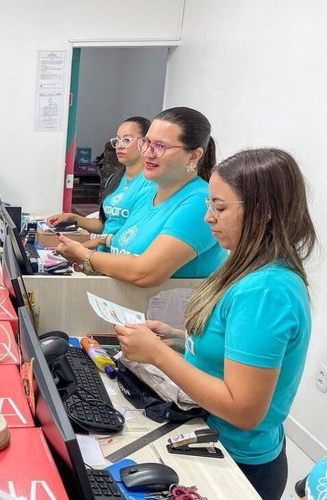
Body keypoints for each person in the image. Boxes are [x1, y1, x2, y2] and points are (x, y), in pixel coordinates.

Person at [115, 148, 316, 500]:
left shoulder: (266, 289)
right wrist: (176, 339)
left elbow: (244, 410)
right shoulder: (246, 264)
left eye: (220, 208)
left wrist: (159, 357)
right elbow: (231, 350)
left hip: (237, 462)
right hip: (207, 432)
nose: (209, 218)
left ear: (264, 212)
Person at [56, 107, 227, 286]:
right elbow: (130, 244)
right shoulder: (148, 193)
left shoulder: (199, 203)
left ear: (194, 155)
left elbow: (144, 273)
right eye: (146, 142)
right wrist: (97, 260)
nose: (147, 152)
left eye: (160, 146)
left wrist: (85, 255)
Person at [47, 116, 154, 244]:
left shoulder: (151, 184)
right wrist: (72, 217)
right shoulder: (114, 180)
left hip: (124, 257)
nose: (119, 146)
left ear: (145, 142)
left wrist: (98, 242)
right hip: (103, 255)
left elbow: (139, 233)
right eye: (117, 140)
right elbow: (103, 224)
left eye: (126, 140)